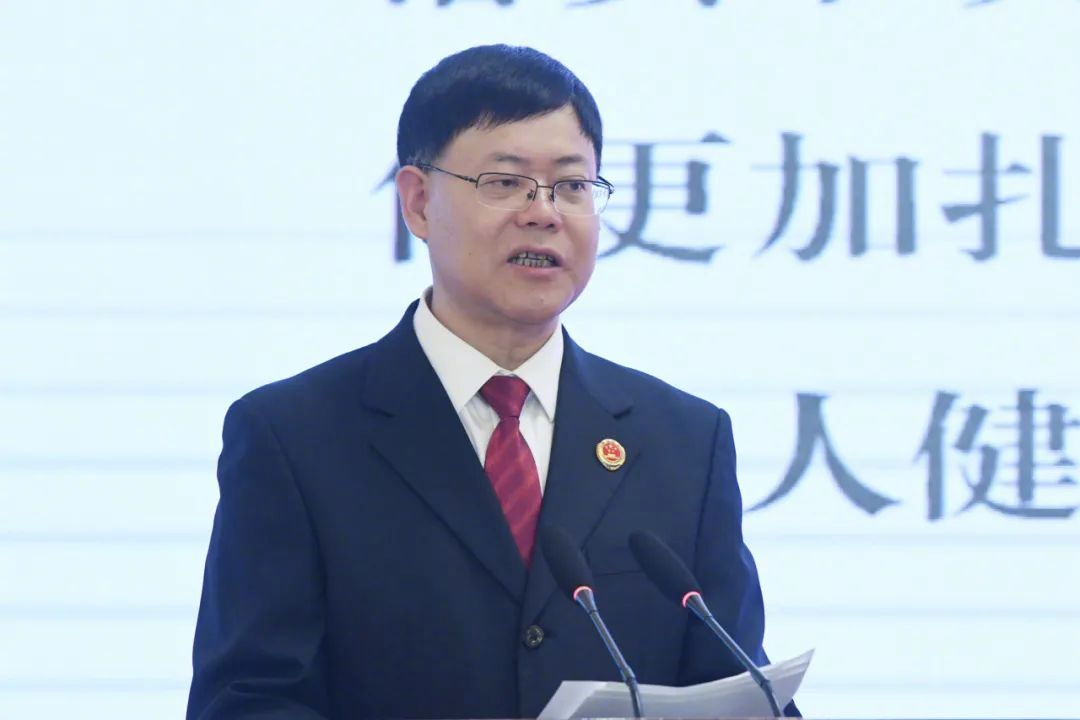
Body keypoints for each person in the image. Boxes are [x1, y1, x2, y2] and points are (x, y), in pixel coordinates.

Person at [188, 44, 794, 719]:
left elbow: (737, 686)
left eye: (572, 186)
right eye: (505, 182)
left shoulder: (683, 440)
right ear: (418, 202)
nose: (544, 212)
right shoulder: (295, 436)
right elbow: (248, 701)